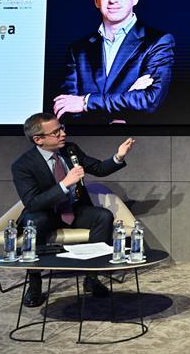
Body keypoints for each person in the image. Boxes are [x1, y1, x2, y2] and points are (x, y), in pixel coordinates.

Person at [11, 112, 136, 307]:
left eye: (61, 128)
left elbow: (99, 168)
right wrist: (64, 184)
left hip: (73, 209)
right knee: (34, 223)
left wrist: (118, 156)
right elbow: (33, 202)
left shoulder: (70, 150)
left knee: (103, 216)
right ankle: (34, 283)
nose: (62, 134)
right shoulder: (22, 165)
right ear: (38, 139)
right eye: (56, 132)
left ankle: (92, 277)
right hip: (45, 213)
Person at [54, 0, 175, 124]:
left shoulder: (158, 42)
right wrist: (126, 99)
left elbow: (149, 100)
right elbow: (66, 110)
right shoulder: (78, 51)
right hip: (89, 143)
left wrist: (85, 102)